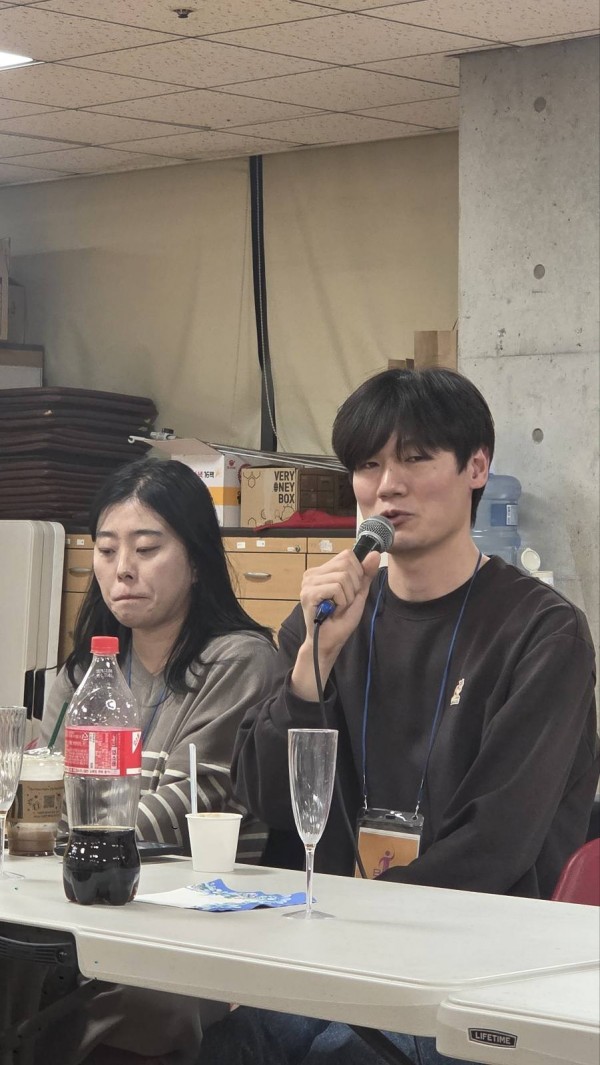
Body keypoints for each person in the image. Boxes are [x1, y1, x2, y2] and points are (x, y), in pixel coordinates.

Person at [198, 367, 599, 1065]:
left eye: (415, 458)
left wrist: (353, 926)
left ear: (477, 468)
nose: (388, 485)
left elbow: (497, 844)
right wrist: (311, 663)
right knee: (224, 1044)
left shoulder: (542, 632)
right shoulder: (328, 620)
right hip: (336, 955)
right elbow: (267, 798)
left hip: (480, 967)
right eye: (368, 465)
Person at [40, 456, 277, 1065]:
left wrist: (70, 833)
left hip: (189, 931)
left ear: (196, 561)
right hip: (83, 910)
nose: (122, 569)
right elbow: (39, 797)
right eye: (106, 549)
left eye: (146, 549)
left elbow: (182, 808)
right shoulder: (85, 671)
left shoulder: (240, 661)